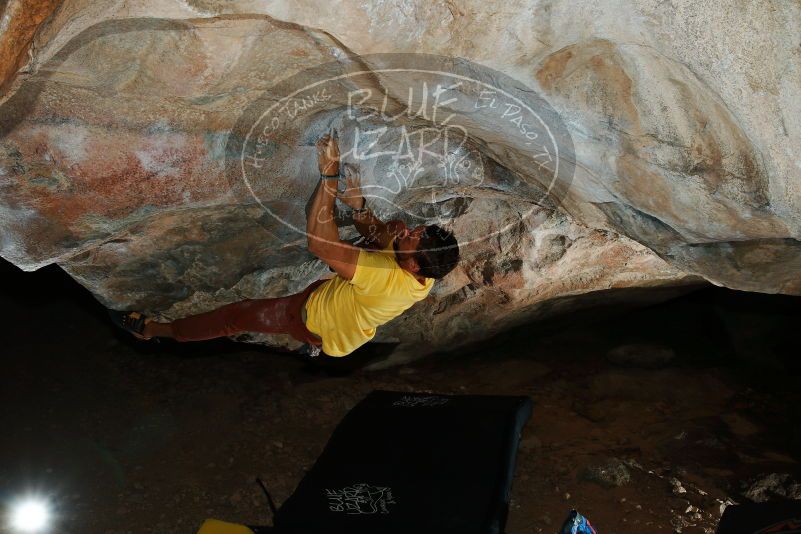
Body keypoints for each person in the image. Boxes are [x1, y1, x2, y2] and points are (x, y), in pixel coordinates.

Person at [109, 132, 460, 357]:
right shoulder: (424, 272)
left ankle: (156, 330)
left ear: (413, 264)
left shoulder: (386, 277)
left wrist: (330, 177)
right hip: (342, 307)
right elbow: (386, 235)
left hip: (312, 320)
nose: (411, 231)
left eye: (414, 239)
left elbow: (320, 245)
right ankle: (337, 279)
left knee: (237, 316)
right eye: (419, 231)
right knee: (387, 230)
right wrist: (359, 208)